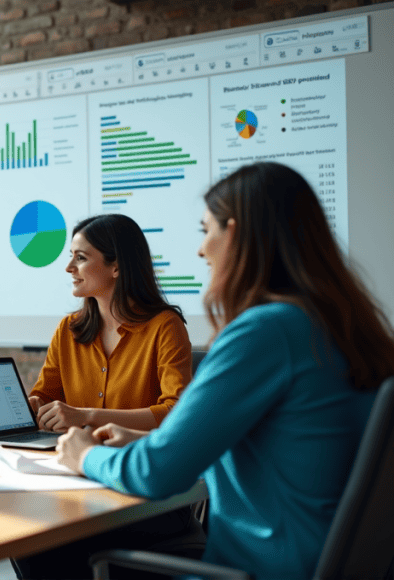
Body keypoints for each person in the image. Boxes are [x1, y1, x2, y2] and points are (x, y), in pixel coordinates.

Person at [58, 162, 394, 578]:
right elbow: (278, 449)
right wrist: (144, 439)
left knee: (58, 555)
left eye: (205, 231)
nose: (202, 250)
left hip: (259, 567)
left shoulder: (265, 331)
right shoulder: (343, 325)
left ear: (233, 233)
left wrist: (85, 455)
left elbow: (156, 474)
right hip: (325, 561)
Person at [28, 213, 192, 433]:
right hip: (69, 454)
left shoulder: (165, 326)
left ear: (116, 267)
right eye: (71, 256)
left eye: (81, 258)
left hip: (134, 457)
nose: (69, 267)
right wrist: (35, 405)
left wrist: (86, 416)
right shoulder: (68, 329)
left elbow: (177, 411)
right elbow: (45, 396)